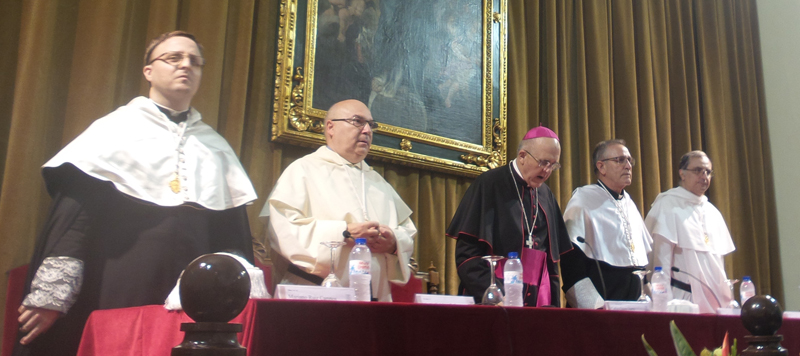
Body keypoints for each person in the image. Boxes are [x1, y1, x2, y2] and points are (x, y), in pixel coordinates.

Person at [14, 31, 258, 356]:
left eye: (194, 61)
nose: (185, 66)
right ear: (148, 71)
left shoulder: (215, 147)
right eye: (173, 58)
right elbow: (75, 219)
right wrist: (53, 294)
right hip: (118, 283)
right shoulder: (115, 129)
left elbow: (232, 236)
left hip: (191, 299)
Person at [261, 99, 415, 301]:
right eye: (358, 121)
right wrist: (343, 233)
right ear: (330, 127)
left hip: (374, 298)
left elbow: (407, 231)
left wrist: (393, 243)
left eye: (371, 125)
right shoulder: (304, 170)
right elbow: (283, 230)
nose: (367, 130)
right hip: (314, 296)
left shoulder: (379, 183)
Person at [447, 126, 572, 306]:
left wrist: (552, 308)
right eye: (543, 162)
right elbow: (468, 255)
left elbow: (551, 263)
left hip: (537, 302)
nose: (547, 171)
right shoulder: (490, 184)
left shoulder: (546, 195)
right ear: (522, 156)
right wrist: (496, 294)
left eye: (553, 165)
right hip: (492, 302)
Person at [561, 139, 652, 308]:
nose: (628, 166)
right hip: (600, 307)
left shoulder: (629, 203)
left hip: (635, 307)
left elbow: (640, 263)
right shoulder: (583, 200)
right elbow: (572, 268)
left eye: (629, 160)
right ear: (601, 167)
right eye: (620, 160)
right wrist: (597, 309)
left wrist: (651, 301)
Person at [645, 150, 735, 313]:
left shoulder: (712, 212)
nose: (704, 176)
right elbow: (660, 262)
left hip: (716, 303)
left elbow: (719, 265)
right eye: (698, 170)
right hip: (683, 301)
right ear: (682, 174)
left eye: (708, 172)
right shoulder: (668, 205)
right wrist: (664, 303)